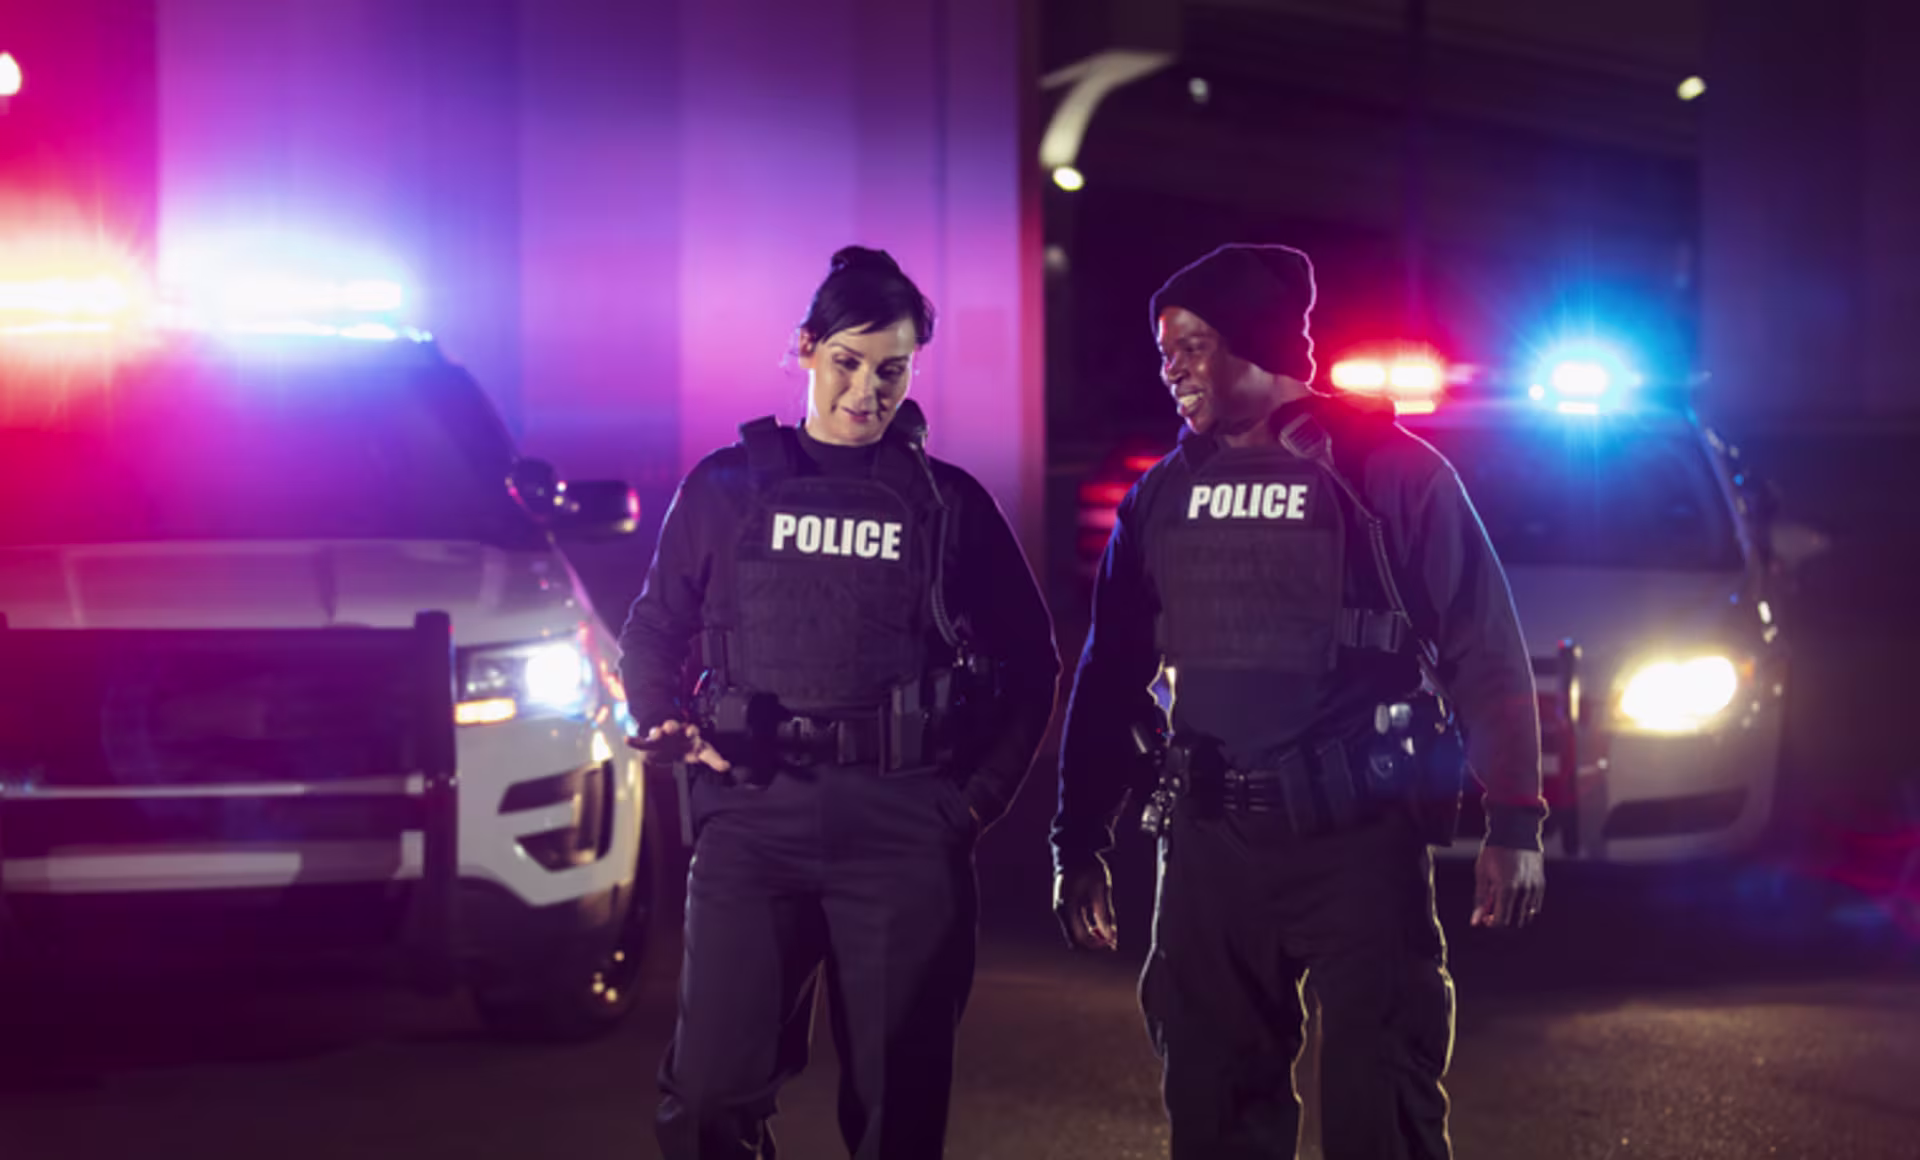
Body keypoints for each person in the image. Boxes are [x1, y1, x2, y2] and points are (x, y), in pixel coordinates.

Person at [1050, 243, 1547, 1159]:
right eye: (1165, 352)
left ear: (1259, 344)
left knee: (1381, 1115)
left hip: (1356, 843)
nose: (1173, 370)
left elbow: (1486, 648)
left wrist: (1515, 822)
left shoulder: (1390, 474)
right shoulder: (1163, 493)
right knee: (1214, 1109)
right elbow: (1108, 673)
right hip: (1208, 851)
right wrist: (1076, 838)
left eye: (1193, 345)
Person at [622, 245, 1060, 1160]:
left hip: (903, 821)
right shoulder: (725, 489)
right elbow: (655, 630)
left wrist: (974, 802)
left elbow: (1032, 662)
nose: (869, 391)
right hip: (752, 815)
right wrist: (661, 714)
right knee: (706, 1099)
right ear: (806, 349)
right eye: (849, 363)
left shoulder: (950, 505)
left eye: (892, 369)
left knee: (899, 1116)